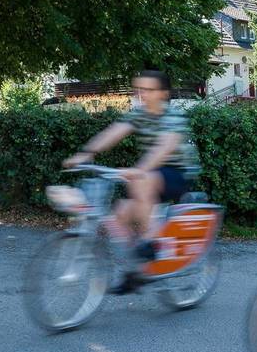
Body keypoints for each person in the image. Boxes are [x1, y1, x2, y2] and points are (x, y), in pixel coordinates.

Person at [63, 70, 199, 294]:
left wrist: (140, 170)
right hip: (152, 175)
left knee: (142, 179)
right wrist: (87, 153)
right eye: (140, 89)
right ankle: (137, 272)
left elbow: (164, 147)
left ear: (164, 94)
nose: (142, 94)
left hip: (178, 174)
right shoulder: (139, 114)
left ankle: (149, 242)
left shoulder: (173, 116)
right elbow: (113, 132)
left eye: (149, 90)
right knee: (120, 214)